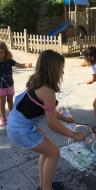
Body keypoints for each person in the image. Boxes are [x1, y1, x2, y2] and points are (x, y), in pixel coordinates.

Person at [6, 50, 85, 190]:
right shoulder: (47, 91)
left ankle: (44, 186)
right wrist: (74, 134)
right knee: (54, 153)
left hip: (19, 123)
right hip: (21, 129)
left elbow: (48, 110)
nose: (62, 72)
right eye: (61, 69)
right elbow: (52, 123)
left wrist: (65, 118)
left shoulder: (36, 80)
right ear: (53, 70)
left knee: (48, 152)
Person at [0, 42, 32, 126]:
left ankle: (12, 117)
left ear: (5, 52)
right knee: (2, 102)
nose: (0, 54)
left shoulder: (9, 61)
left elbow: (20, 65)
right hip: (0, 88)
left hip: (10, 85)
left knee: (10, 101)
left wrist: (26, 65)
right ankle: (4, 118)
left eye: (1, 52)